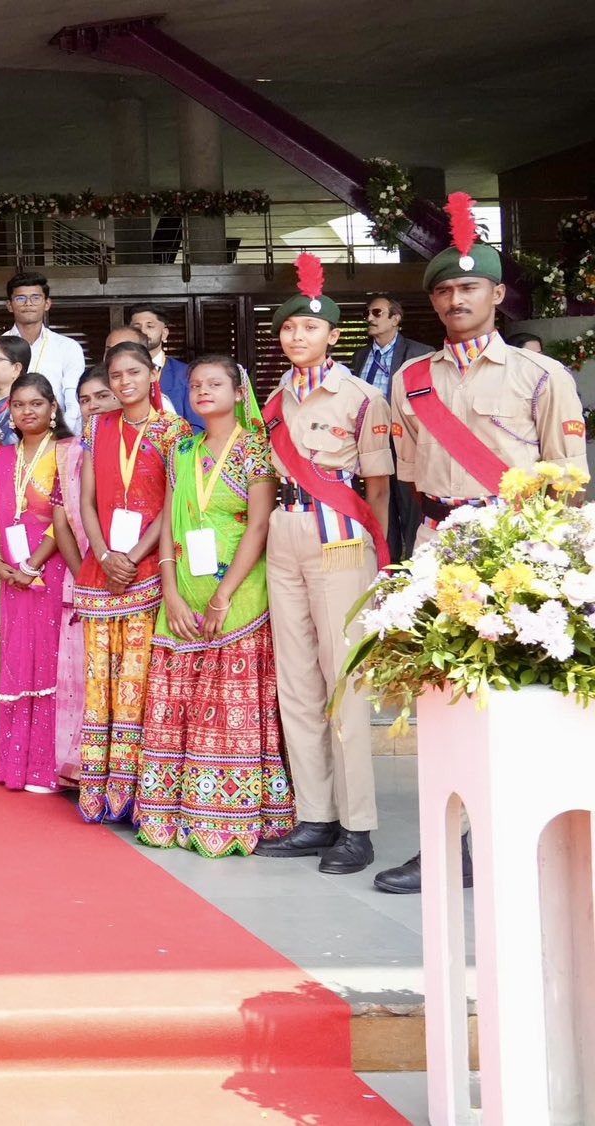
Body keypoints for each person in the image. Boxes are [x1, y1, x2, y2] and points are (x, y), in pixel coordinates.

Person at [374, 193, 589, 894]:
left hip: (517, 549)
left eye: (468, 286)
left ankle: (521, 827)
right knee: (447, 690)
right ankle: (452, 838)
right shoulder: (409, 383)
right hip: (441, 543)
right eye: (442, 290)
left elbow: (567, 483)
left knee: (518, 688)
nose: (455, 298)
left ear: (497, 293)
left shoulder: (542, 376)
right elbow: (410, 481)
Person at [244, 258, 394, 873]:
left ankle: (358, 826)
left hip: (340, 540)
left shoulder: (363, 398)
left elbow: (379, 488)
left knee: (345, 681)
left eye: (310, 328)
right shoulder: (273, 399)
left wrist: (378, 556)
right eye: (288, 330)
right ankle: (316, 816)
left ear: (334, 335)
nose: (297, 337)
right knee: (297, 681)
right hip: (284, 532)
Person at [134, 358, 291, 856]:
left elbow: (260, 526)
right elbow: (169, 524)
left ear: (237, 391)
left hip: (239, 596)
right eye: (196, 385)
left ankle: (229, 818)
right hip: (182, 591)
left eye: (214, 384)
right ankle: (171, 814)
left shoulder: (256, 450)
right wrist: (170, 591)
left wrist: (224, 595)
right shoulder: (183, 448)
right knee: (177, 703)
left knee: (229, 707)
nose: (203, 392)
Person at [74, 341, 193, 823]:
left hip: (146, 570)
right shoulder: (97, 425)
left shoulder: (174, 429)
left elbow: (175, 502)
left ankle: (138, 794)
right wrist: (105, 554)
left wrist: (132, 556)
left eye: (133, 373)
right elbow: (86, 499)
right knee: (99, 681)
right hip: (99, 570)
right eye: (116, 376)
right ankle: (99, 790)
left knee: (139, 683)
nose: (124, 383)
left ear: (151, 376)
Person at [0, 373, 78, 793]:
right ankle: (15, 765)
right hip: (12, 575)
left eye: (36, 404)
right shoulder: (1, 458)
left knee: (48, 659)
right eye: (19, 404)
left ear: (53, 408)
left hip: (49, 570)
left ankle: (45, 766)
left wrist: (33, 565)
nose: (27, 411)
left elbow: (66, 519)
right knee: (18, 660)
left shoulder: (66, 452)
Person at [55, 367, 119, 787]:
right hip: (84, 580)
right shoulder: (68, 453)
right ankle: (82, 768)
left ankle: (122, 770)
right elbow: (60, 522)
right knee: (81, 678)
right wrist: (86, 577)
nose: (93, 406)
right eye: (85, 400)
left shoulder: (137, 443)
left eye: (101, 396)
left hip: (134, 579)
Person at [350, 294, 433, 563]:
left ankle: (413, 568)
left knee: (410, 509)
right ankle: (387, 564)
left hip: (404, 442)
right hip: (371, 446)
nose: (369, 319)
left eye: (376, 313)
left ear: (395, 318)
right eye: (368, 314)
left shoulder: (419, 353)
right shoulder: (361, 355)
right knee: (379, 507)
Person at [0, 272, 88, 434]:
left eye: (35, 298)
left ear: (47, 303)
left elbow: (73, 400)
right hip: (4, 434)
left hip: (56, 432)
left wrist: (63, 436)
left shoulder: (67, 347)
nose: (28, 303)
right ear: (9, 305)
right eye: (20, 298)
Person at [128, 303, 197, 431]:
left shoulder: (185, 373)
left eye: (150, 326)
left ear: (164, 333)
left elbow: (198, 424)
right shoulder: (118, 375)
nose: (143, 331)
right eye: (137, 327)